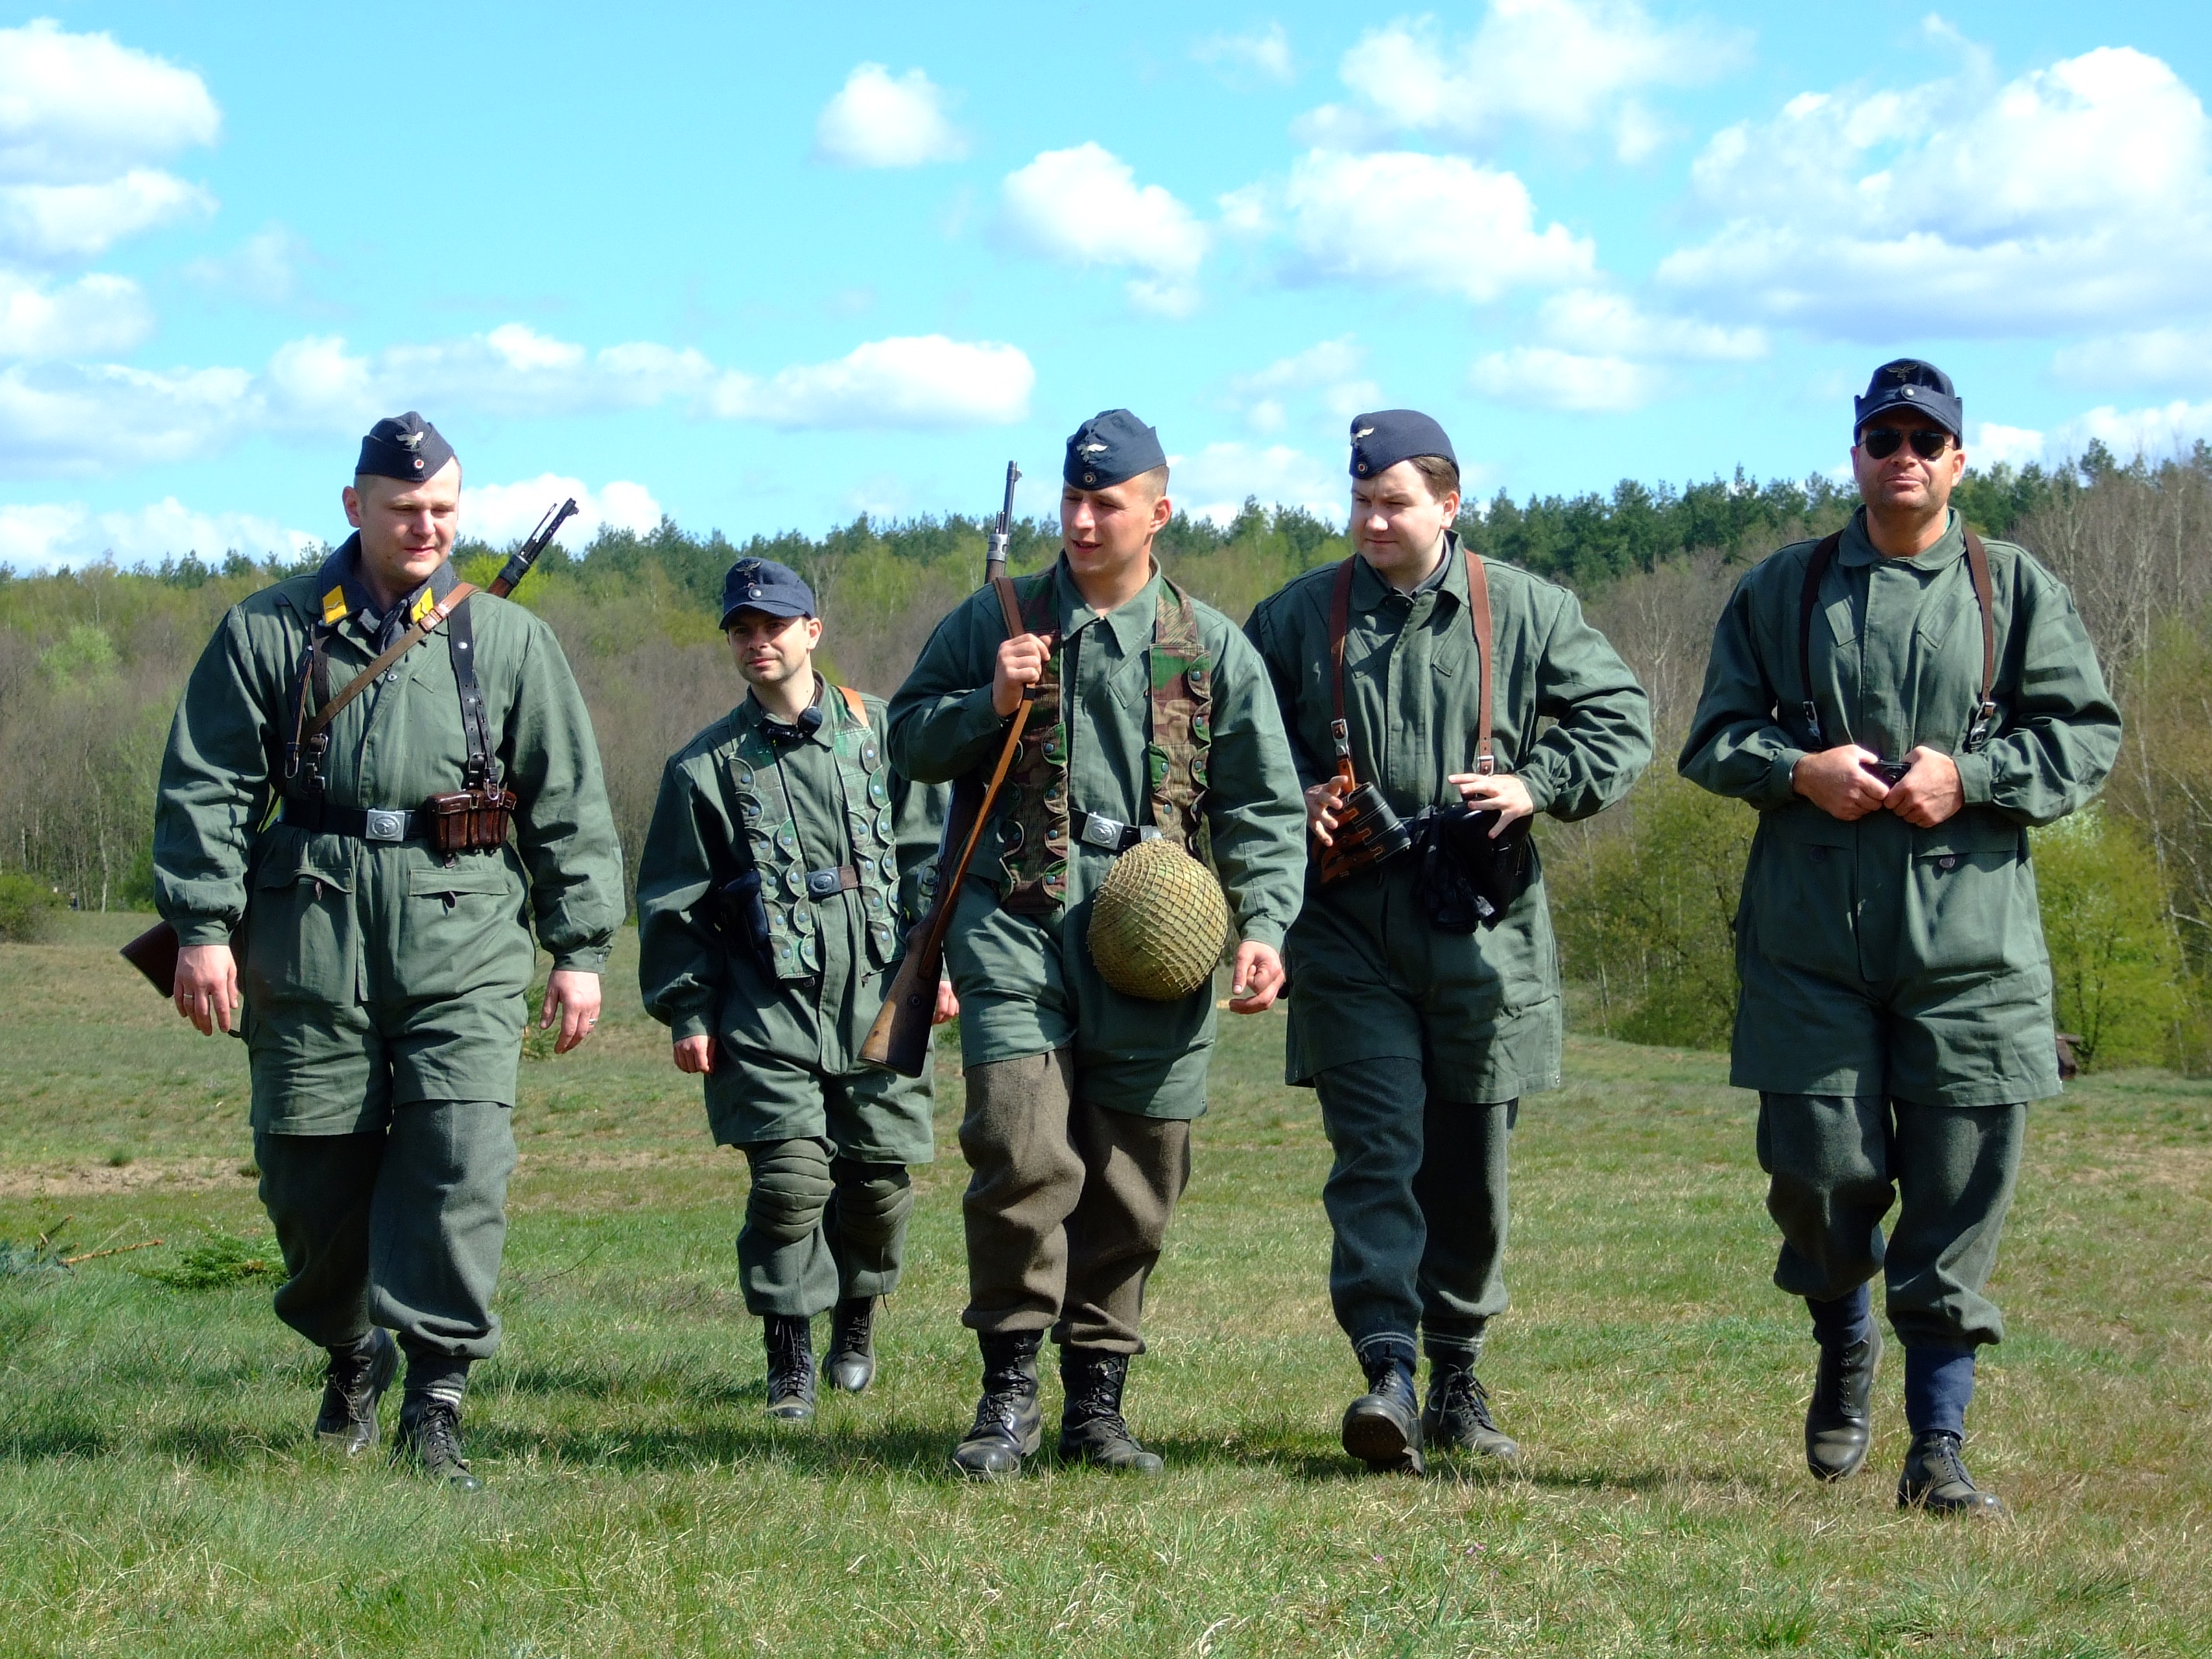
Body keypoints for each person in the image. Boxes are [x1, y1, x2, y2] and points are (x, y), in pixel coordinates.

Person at [1680, 360, 2121, 1515]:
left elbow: (2084, 741)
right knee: (1818, 1175)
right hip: (1809, 942)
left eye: (1929, 440)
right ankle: (1844, 1331)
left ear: (1960, 460)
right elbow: (1713, 736)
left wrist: (1971, 775)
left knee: (1958, 1194)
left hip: (1971, 948)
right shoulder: (1785, 589)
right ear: (1858, 454)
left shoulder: (2014, 589)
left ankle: (1938, 1445)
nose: (1906, 456)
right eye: (1887, 438)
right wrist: (1796, 769)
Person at [153, 413, 624, 1489]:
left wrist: (579, 946)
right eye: (405, 508)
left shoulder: (506, 640)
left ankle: (439, 1395)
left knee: (461, 1158)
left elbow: (568, 801)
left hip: (462, 922)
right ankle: (349, 1347)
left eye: (445, 511)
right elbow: (208, 786)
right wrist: (201, 929)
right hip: (310, 925)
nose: (426, 527)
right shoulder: (268, 631)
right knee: (309, 1170)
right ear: (355, 506)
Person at [887, 409, 1306, 1478]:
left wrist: (1265, 924)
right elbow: (906, 738)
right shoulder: (1000, 618)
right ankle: (1008, 1398)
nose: (1080, 520)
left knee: (1137, 1172)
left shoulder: (1213, 646)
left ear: (1157, 513)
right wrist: (988, 699)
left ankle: (1098, 1403)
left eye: (1104, 503)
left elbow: (1262, 803)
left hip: (1159, 936)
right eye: (1071, 501)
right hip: (1016, 921)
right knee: (1022, 1150)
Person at [1245, 409, 1652, 1475]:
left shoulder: (1525, 608)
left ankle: (1458, 1376)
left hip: (1483, 929)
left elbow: (1622, 719)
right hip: (1350, 931)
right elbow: (1226, 744)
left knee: (1471, 1169)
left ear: (1449, 503)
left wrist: (1536, 784)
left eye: (1395, 503)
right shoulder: (1296, 618)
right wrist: (1295, 800)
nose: (1374, 520)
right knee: (1377, 1153)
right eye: (1362, 501)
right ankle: (1387, 1373)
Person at [636, 558, 949, 1421]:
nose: (757, 642)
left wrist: (940, 962)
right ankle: (788, 1359)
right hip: (764, 1003)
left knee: (879, 1185)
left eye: (773, 626)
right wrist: (687, 1009)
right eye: (741, 629)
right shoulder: (702, 767)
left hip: (882, 994)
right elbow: (673, 901)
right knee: (789, 1184)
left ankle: (855, 1321)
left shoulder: (885, 734)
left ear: (812, 631)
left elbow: (931, 858)